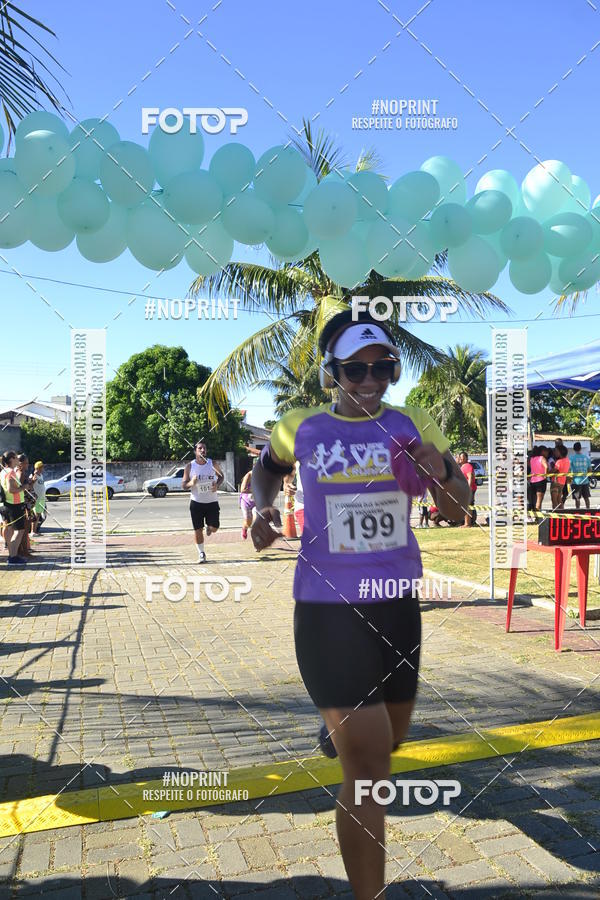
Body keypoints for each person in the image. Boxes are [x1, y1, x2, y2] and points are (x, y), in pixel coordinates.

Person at [250, 309, 470, 900]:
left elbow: (455, 509)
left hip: (398, 602)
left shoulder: (410, 422)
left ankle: (339, 733)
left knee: (391, 740)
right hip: (327, 607)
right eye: (356, 369)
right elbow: (265, 472)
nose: (370, 380)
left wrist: (443, 469)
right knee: (370, 767)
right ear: (332, 372)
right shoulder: (300, 427)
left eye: (383, 368)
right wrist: (260, 509)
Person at [182, 441, 224, 563]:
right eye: (200, 448)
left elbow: (221, 476)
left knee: (215, 527)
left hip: (212, 502)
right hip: (196, 503)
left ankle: (210, 528)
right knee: (197, 529)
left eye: (204, 448)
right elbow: (184, 485)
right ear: (195, 451)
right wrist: (191, 483)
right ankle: (201, 553)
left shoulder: (212, 463)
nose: (202, 450)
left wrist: (218, 485)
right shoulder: (190, 466)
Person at [1, 450, 28, 565]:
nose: (18, 460)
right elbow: (11, 490)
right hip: (14, 505)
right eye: (16, 458)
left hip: (6, 504)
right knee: (19, 531)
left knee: (10, 530)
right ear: (11, 459)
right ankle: (13, 556)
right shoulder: (11, 472)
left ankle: (11, 555)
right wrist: (24, 487)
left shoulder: (3, 471)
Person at [570, 441, 592, 510]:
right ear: (581, 448)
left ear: (574, 449)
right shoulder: (586, 458)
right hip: (585, 481)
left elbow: (569, 470)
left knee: (577, 498)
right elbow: (590, 469)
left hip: (576, 482)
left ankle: (578, 512)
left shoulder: (571, 458)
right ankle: (589, 511)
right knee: (586, 498)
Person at [458, 452, 477, 527]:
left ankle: (467, 523)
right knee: (468, 505)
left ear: (466, 458)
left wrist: (468, 489)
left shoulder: (467, 466)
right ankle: (469, 522)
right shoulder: (463, 466)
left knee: (467, 506)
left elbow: (470, 478)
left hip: (469, 489)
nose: (461, 458)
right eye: (460, 457)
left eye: (462, 457)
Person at [239, 464, 255, 540]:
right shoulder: (249, 475)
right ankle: (244, 528)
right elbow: (243, 489)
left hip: (257, 502)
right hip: (246, 501)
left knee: (259, 518)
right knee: (248, 521)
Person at [530, 445, 549, 512]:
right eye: (546, 451)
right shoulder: (542, 458)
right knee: (539, 499)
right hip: (541, 480)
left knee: (534, 499)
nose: (547, 453)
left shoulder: (532, 458)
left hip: (532, 481)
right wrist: (545, 475)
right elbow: (546, 466)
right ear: (543, 451)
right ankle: (538, 516)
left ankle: (533, 515)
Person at [551, 445, 570, 511]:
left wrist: (548, 471)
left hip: (556, 481)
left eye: (556, 451)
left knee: (554, 500)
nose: (555, 452)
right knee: (559, 499)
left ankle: (555, 514)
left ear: (561, 452)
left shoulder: (559, 461)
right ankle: (562, 513)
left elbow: (554, 470)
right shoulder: (567, 460)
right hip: (562, 482)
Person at [31, 461, 46, 533]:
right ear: (38, 468)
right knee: (36, 515)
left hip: (42, 498)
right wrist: (33, 480)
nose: (43, 468)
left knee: (39, 515)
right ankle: (33, 531)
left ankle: (35, 531)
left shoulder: (41, 475)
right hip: (37, 498)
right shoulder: (34, 475)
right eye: (42, 467)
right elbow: (30, 486)